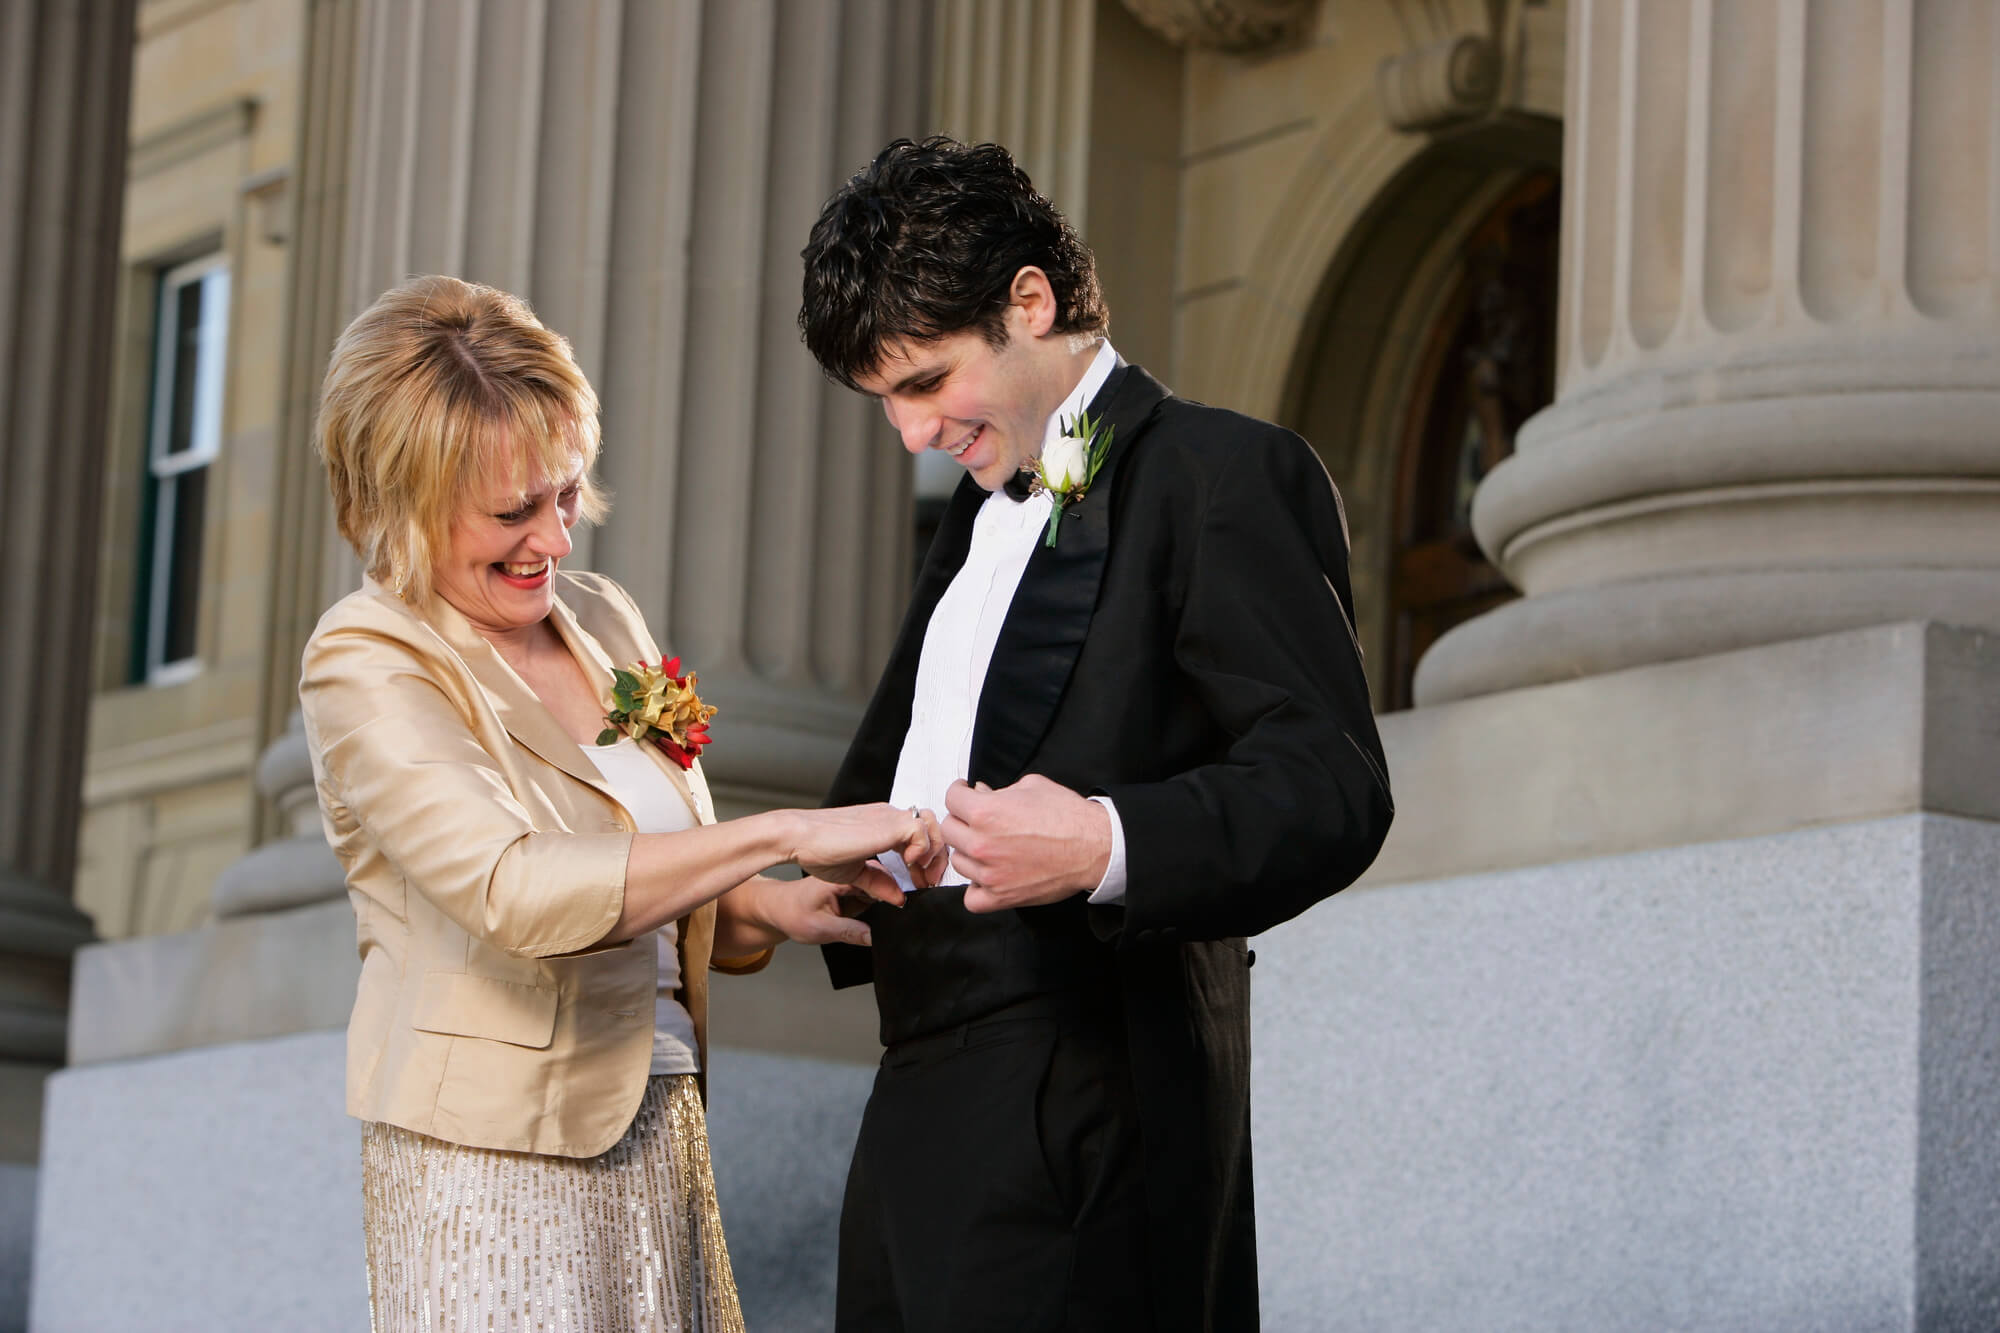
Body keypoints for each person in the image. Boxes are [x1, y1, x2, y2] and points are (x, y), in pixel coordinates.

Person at [798, 137, 1395, 1332]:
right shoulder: (977, 525)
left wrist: (1104, 842)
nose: (911, 435)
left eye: (925, 383)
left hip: (1090, 1097)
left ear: (1030, 300)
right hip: (916, 1084)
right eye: (886, 403)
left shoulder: (1223, 473)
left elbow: (1330, 784)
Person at [300, 274, 948, 1333]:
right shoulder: (366, 659)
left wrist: (770, 907)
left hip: (664, 1117)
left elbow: (646, 870)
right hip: (493, 1159)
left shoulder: (600, 617)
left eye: (565, 493)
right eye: (513, 510)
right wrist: (779, 831)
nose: (554, 540)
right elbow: (512, 890)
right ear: (403, 501)